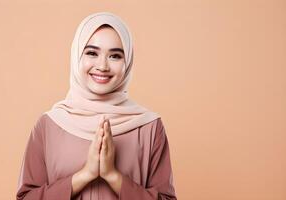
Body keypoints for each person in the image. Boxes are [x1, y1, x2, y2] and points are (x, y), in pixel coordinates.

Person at [16, 12, 177, 200]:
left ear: (128, 62)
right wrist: (85, 175)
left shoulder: (149, 126)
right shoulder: (49, 125)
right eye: (92, 53)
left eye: (115, 56)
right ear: (77, 56)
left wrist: (113, 176)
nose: (102, 66)